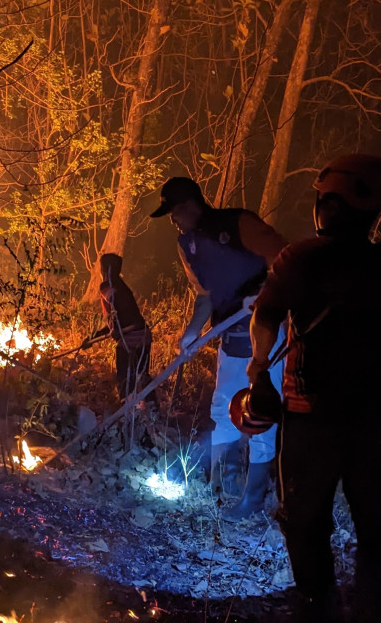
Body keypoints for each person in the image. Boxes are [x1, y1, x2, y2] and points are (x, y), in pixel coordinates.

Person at [247, 154, 381, 622]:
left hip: (309, 419)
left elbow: (265, 318)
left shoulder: (300, 258)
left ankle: (317, 606)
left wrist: (258, 370)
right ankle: (373, 613)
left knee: (304, 523)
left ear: (332, 204)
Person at [150, 176, 287, 520]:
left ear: (189, 206)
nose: (173, 221)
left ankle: (252, 501)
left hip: (267, 337)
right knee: (223, 410)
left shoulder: (237, 222)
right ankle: (220, 487)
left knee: (260, 416)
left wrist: (267, 292)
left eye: (174, 213)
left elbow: (286, 259)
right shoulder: (187, 246)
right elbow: (205, 296)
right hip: (231, 337)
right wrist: (191, 333)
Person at [83, 253, 152, 404]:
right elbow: (118, 322)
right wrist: (92, 338)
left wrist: (121, 330)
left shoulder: (109, 287)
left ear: (104, 269)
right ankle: (148, 410)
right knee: (142, 377)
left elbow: (126, 317)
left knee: (125, 379)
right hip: (144, 335)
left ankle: (128, 412)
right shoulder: (121, 286)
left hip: (132, 338)